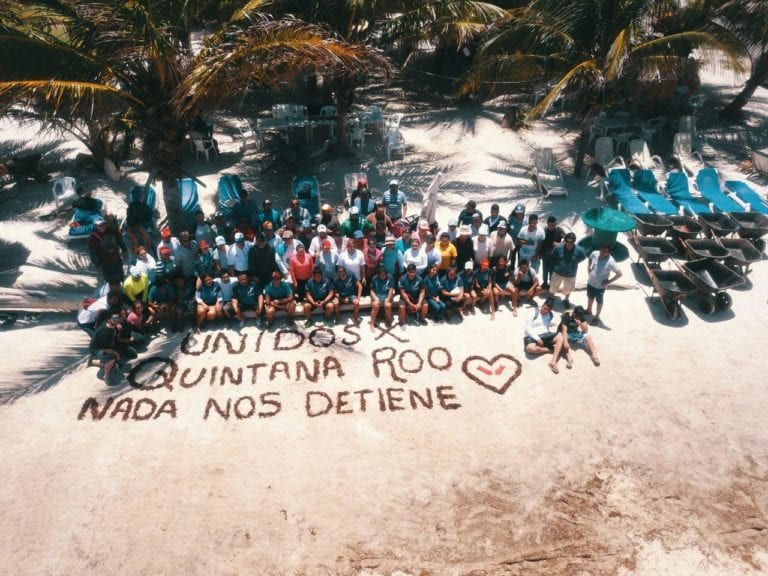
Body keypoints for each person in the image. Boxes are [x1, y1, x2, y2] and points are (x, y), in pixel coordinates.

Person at [523, 298, 565, 373]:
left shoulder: (550, 315)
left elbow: (545, 323)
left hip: (545, 334)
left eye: (548, 310)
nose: (546, 311)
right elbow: (527, 328)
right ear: (542, 306)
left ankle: (553, 361)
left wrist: (550, 324)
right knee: (530, 348)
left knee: (560, 337)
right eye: (545, 308)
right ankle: (550, 349)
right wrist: (538, 338)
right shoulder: (534, 312)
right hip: (532, 335)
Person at [586, 242, 623, 324]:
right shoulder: (595, 253)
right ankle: (589, 310)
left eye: (605, 251)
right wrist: (589, 267)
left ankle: (597, 316)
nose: (602, 253)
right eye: (602, 251)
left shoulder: (611, 261)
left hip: (600, 286)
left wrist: (609, 281)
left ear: (609, 252)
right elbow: (590, 258)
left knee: (599, 301)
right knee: (590, 296)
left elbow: (619, 273)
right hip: (591, 282)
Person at [550, 232, 587, 309]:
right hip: (557, 272)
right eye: (568, 241)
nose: (569, 244)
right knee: (554, 286)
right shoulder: (558, 248)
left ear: (574, 242)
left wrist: (575, 262)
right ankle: (551, 298)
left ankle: (566, 299)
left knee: (568, 288)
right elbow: (553, 255)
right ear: (565, 240)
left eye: (571, 242)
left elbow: (583, 258)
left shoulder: (579, 250)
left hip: (571, 274)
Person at [89, 312, 123, 384]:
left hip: (106, 346)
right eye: (115, 318)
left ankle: (92, 362)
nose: (117, 320)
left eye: (118, 318)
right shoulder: (104, 332)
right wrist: (117, 355)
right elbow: (105, 348)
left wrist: (117, 325)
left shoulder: (112, 325)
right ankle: (106, 377)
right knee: (111, 359)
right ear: (109, 320)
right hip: (97, 349)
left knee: (113, 363)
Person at [88, 217, 126, 281]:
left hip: (117, 260)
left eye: (104, 224)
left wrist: (124, 250)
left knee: (121, 279)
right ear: (96, 226)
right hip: (105, 264)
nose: (103, 226)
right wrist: (97, 264)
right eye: (100, 225)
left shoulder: (112, 231)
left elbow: (120, 241)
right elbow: (92, 252)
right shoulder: (92, 238)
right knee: (109, 281)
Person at [541, 216, 566, 290]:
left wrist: (560, 244)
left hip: (555, 256)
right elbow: (540, 243)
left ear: (556, 223)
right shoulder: (544, 230)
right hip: (545, 255)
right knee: (545, 270)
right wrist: (539, 254)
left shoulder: (559, 230)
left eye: (553, 225)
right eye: (550, 225)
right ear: (547, 224)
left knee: (552, 271)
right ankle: (545, 282)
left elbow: (568, 239)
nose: (552, 227)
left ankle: (551, 283)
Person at [369, 265, 395, 330]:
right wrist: (375, 298)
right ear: (378, 274)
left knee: (388, 305)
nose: (383, 277)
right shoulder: (374, 278)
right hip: (377, 295)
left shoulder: (390, 277)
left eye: (384, 275)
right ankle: (372, 323)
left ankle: (389, 320)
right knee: (375, 305)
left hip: (386, 295)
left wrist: (388, 299)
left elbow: (391, 289)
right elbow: (371, 290)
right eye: (381, 275)